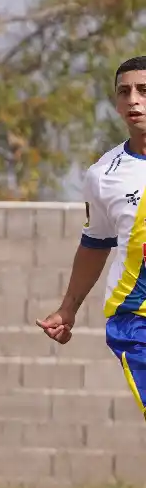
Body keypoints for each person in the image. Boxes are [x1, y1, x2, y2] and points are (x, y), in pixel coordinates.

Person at [39, 55, 146, 413]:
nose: (133, 100)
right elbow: (95, 244)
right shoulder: (104, 175)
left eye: (144, 90)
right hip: (137, 321)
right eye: (124, 92)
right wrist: (68, 308)